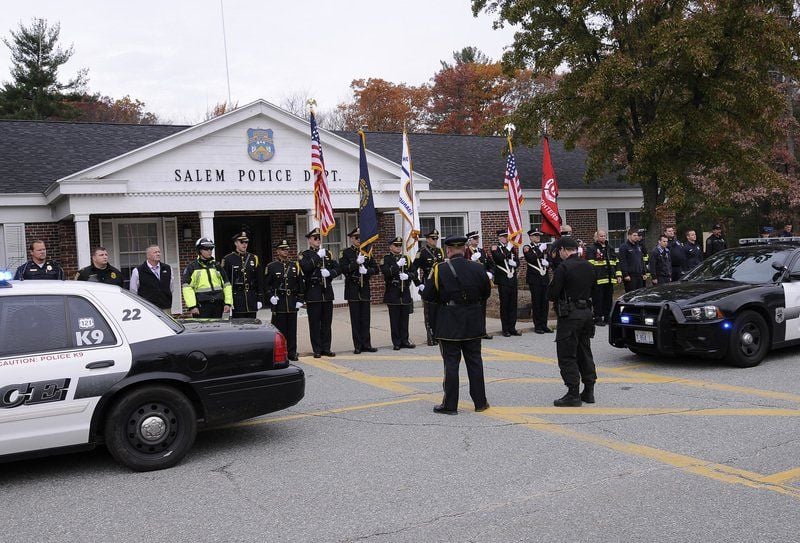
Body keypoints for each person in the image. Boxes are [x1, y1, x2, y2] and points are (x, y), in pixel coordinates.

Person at [422, 235, 491, 415]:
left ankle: (450, 405)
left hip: (450, 322)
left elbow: (428, 295)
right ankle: (480, 402)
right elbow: (486, 293)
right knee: (475, 362)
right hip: (473, 321)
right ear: (464, 249)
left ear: (448, 250)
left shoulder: (440, 269)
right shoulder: (478, 268)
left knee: (451, 364)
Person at [547, 236, 597, 407]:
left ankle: (573, 393)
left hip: (570, 315)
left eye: (559, 251)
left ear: (563, 250)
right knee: (585, 351)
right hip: (586, 313)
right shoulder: (589, 265)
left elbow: (553, 293)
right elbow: (594, 288)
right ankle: (589, 390)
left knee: (567, 354)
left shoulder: (563, 267)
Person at [300, 227, 340, 358]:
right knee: (315, 324)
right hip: (313, 293)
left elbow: (338, 268)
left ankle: (326, 348)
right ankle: (317, 349)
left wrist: (330, 273)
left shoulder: (327, 254)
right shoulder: (304, 254)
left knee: (327, 323)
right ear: (309, 240)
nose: (317, 240)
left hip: (326, 293)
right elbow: (305, 268)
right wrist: (317, 257)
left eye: (319, 238)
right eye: (315, 238)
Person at [339, 228, 380, 354]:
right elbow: (343, 269)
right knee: (356, 319)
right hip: (353, 288)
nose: (359, 240)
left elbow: (376, 269)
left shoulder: (367, 252)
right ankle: (357, 345)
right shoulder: (345, 253)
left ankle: (367, 344)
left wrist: (367, 271)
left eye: (360, 237)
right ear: (351, 238)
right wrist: (356, 263)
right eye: (356, 237)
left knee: (366, 319)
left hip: (364, 289)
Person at [264, 239, 304, 361]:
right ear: (277, 251)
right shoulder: (271, 266)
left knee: (292, 329)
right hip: (279, 302)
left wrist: (300, 299)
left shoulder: (294, 265)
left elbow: (300, 283)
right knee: (280, 330)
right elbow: (266, 285)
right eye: (283, 249)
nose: (286, 251)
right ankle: (280, 353)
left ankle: (292, 352)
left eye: (287, 249)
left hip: (291, 301)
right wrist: (270, 296)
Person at [181, 237, 232, 318]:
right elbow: (187, 288)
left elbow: (227, 285)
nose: (210, 251)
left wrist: (228, 303)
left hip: (218, 305)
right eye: (206, 249)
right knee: (204, 330)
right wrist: (192, 306)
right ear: (200, 250)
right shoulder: (192, 267)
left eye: (211, 249)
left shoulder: (217, 266)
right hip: (201, 306)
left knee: (219, 329)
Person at [411, 229, 445, 346]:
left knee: (439, 311)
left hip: (439, 286)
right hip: (428, 285)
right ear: (427, 239)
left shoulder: (440, 251)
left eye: (436, 238)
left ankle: (439, 334)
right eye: (432, 238)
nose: (435, 240)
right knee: (429, 313)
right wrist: (418, 284)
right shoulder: (422, 252)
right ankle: (431, 337)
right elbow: (413, 269)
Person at [381, 236, 415, 350]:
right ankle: (396, 342)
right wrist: (397, 266)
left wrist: (408, 276)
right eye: (396, 245)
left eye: (400, 245)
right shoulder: (386, 259)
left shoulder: (406, 258)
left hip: (404, 291)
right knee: (395, 319)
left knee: (405, 318)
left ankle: (405, 340)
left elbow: (414, 273)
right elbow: (386, 272)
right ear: (390, 247)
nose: (399, 247)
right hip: (393, 291)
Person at [222, 231, 263, 319]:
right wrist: (228, 301)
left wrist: (260, 298)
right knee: (239, 326)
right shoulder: (228, 259)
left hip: (251, 297)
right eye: (241, 242)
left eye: (246, 242)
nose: (244, 244)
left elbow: (259, 279)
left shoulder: (254, 258)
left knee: (252, 326)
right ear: (236, 243)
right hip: (237, 298)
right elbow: (226, 281)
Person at [465, 230, 495, 339]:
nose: (477, 241)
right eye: (474, 239)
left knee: (482, 309)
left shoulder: (483, 251)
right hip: (473, 285)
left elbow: (491, 264)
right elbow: (463, 268)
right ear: (469, 240)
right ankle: (473, 332)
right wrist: (470, 261)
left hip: (483, 285)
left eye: (477, 238)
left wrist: (490, 273)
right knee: (473, 309)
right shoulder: (466, 252)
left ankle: (482, 331)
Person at [587, 229, 621, 326]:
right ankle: (598, 318)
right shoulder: (591, 248)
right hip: (598, 279)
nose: (603, 237)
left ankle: (607, 317)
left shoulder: (610, 248)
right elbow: (590, 265)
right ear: (596, 237)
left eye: (604, 236)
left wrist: (618, 275)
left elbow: (616, 262)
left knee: (608, 299)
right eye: (601, 236)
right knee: (598, 300)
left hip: (609, 278)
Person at [491, 229, 521, 336]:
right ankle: (505, 329)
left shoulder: (511, 248)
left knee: (513, 304)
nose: (505, 238)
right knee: (505, 304)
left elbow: (517, 261)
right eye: (503, 236)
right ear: (499, 237)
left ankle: (512, 327)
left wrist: (515, 264)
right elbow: (498, 258)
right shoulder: (495, 248)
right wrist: (507, 249)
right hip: (503, 279)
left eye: (506, 236)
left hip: (512, 279)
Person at [522, 229, 552, 334]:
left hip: (544, 278)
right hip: (534, 279)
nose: (538, 237)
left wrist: (548, 263)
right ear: (530, 237)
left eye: (538, 235)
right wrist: (539, 250)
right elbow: (531, 258)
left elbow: (550, 260)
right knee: (537, 302)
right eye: (535, 235)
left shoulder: (543, 247)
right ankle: (538, 325)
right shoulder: (527, 248)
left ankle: (544, 324)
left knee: (545, 303)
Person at [129, 245, 174, 311]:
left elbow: (171, 287)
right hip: (147, 308)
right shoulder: (138, 271)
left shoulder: (168, 268)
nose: (158, 254)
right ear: (148, 255)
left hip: (165, 307)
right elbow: (133, 291)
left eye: (159, 252)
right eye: (155, 252)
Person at [618, 227, 645, 292]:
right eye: (634, 235)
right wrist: (625, 274)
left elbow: (641, 260)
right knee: (631, 295)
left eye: (637, 235)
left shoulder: (638, 246)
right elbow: (622, 261)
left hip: (639, 275)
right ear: (629, 236)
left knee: (639, 294)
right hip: (630, 276)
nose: (636, 237)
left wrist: (644, 272)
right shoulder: (624, 247)